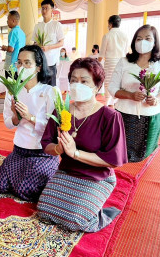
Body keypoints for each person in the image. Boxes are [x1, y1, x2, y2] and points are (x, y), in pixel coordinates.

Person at [38, 57, 128, 232]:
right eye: (73, 80)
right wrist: (58, 148)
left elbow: (113, 160)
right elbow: (46, 144)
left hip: (97, 176)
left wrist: (75, 153)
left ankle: (105, 215)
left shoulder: (110, 117)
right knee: (44, 211)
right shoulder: (61, 110)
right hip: (67, 171)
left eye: (84, 81)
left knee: (75, 220)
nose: (77, 85)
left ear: (97, 86)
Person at [0, 45, 59, 202]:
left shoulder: (50, 92)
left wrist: (30, 117)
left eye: (27, 63)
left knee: (26, 190)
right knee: (1, 186)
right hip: (20, 150)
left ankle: (52, 171)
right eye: (19, 63)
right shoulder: (13, 92)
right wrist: (17, 117)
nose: (21, 67)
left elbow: (54, 129)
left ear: (38, 67)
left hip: (42, 152)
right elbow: (8, 124)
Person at [109, 25, 160, 162]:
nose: (142, 41)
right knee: (120, 153)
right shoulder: (124, 62)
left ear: (155, 42)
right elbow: (113, 88)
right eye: (139, 38)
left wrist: (157, 99)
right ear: (134, 42)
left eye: (147, 38)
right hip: (124, 114)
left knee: (143, 156)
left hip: (150, 116)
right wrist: (130, 95)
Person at [32, 0, 64, 86]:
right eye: (42, 8)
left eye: (46, 8)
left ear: (52, 10)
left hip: (51, 62)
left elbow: (61, 43)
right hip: (39, 62)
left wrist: (48, 47)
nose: (44, 10)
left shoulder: (56, 25)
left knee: (51, 89)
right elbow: (34, 43)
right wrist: (38, 46)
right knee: (40, 87)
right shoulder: (37, 26)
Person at [99, 15, 128, 107]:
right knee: (119, 82)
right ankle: (116, 102)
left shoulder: (107, 35)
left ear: (110, 24)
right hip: (122, 62)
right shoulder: (124, 35)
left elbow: (102, 53)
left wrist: (96, 63)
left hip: (110, 62)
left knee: (108, 82)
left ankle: (108, 102)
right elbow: (126, 51)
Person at [1, 10, 26, 77]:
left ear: (13, 21)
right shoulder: (22, 33)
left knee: (10, 85)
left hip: (11, 65)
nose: (7, 21)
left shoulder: (13, 32)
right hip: (19, 63)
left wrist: (4, 48)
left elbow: (10, 49)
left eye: (8, 19)